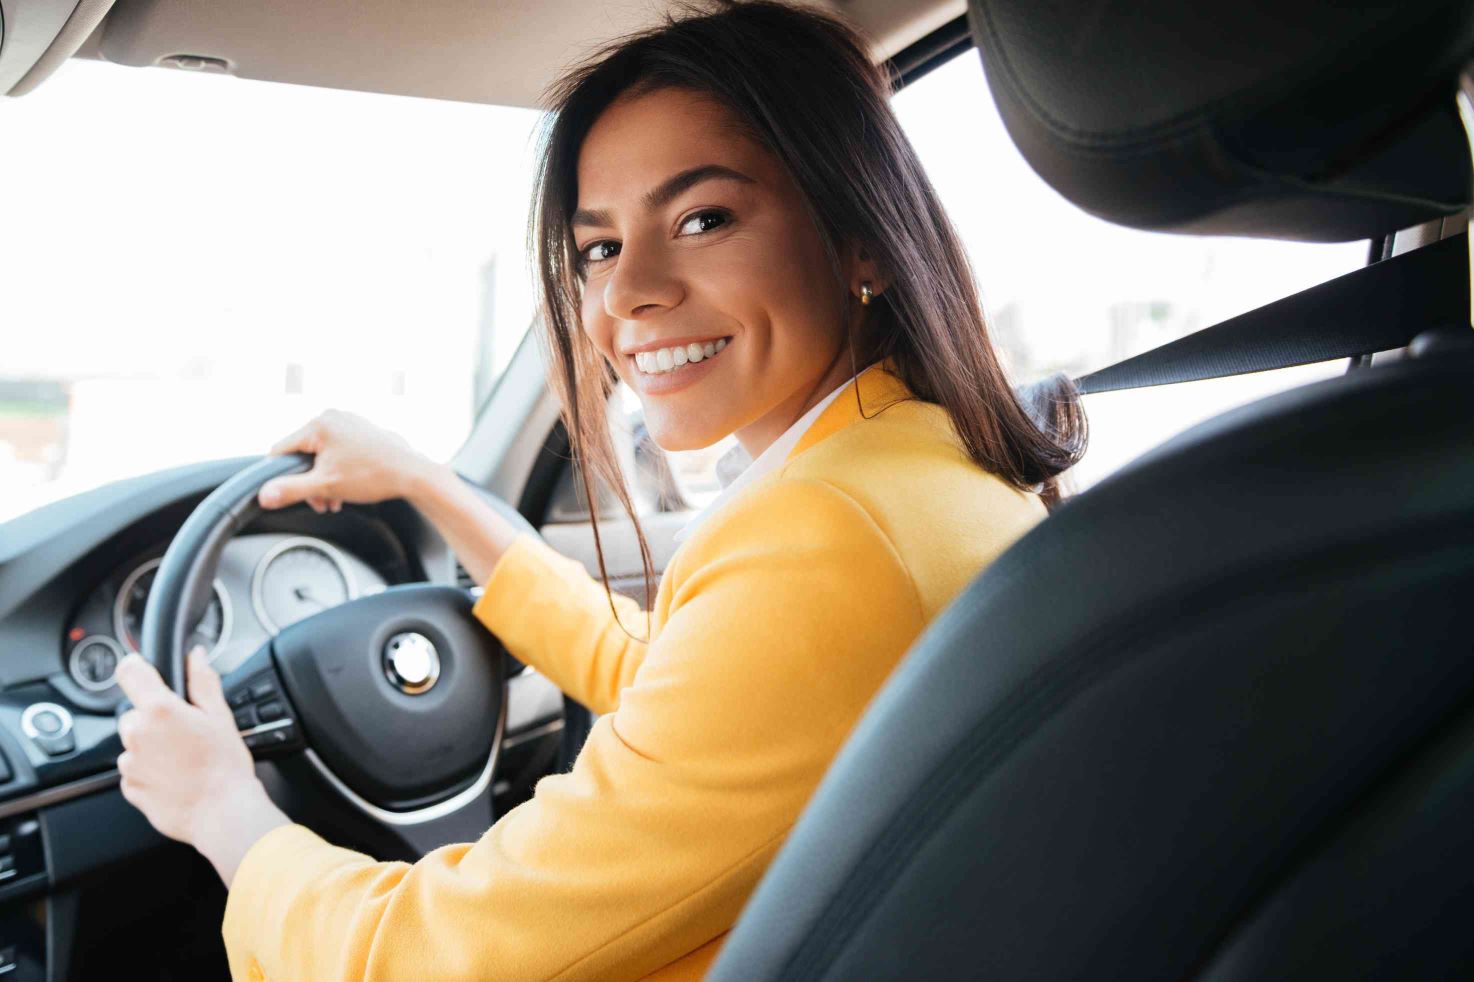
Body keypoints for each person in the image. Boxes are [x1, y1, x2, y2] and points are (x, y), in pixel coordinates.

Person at [109, 1, 1086, 978]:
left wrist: (224, 811)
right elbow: (675, 691)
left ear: (859, 234)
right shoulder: (919, 464)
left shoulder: (827, 534)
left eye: (702, 218)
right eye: (598, 248)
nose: (625, 295)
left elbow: (441, 954)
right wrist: (425, 484)